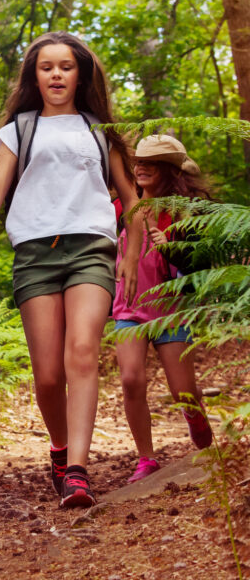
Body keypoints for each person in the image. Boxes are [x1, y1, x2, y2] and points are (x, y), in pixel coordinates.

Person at [0, 31, 143, 508]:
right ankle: (59, 449)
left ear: (81, 74)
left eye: (65, 66)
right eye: (46, 67)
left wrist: (133, 258)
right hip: (35, 253)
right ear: (34, 76)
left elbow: (132, 199)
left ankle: (78, 470)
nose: (56, 74)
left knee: (81, 352)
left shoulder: (101, 130)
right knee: (46, 377)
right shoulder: (20, 129)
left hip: (91, 249)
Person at [113, 134, 214, 482]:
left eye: (150, 163)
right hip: (129, 308)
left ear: (169, 170)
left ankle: (196, 419)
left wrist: (169, 245)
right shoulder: (121, 208)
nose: (140, 167)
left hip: (171, 310)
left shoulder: (184, 215)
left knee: (183, 392)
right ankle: (146, 458)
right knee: (130, 379)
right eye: (138, 161)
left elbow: (201, 265)